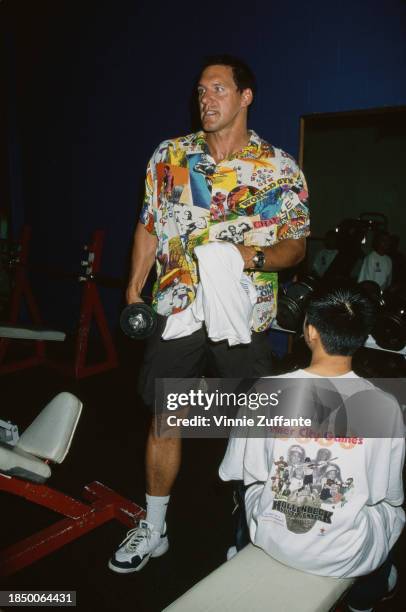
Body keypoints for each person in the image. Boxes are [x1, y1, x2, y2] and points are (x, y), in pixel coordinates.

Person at [108, 54, 310, 573]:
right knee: (166, 416)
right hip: (176, 306)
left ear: (246, 97)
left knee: (254, 425)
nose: (206, 100)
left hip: (242, 314)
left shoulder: (277, 167)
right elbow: (149, 226)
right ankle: (154, 528)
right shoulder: (170, 155)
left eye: (218, 90)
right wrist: (134, 290)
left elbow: (296, 248)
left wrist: (248, 256)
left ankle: (252, 528)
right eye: (201, 91)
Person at [220, 284, 405, 611]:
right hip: (342, 555)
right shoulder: (385, 406)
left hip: (271, 538)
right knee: (393, 511)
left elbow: (236, 471)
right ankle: (366, 596)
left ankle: (240, 544)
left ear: (310, 331)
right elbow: (386, 494)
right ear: (363, 338)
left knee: (248, 486)